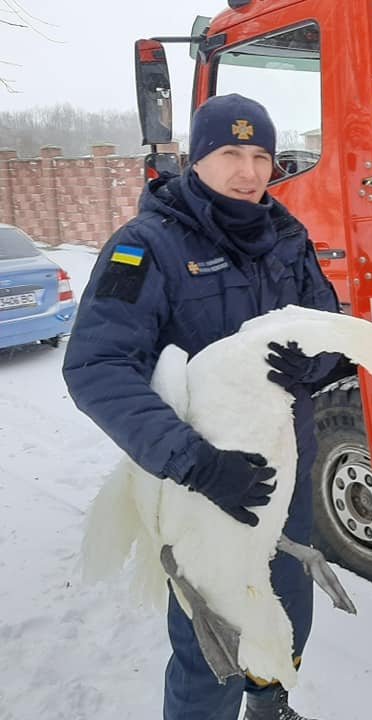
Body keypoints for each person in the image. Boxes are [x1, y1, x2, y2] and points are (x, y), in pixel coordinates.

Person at [63, 93, 341, 720]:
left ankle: (269, 707)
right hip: (202, 484)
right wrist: (195, 463)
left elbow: (330, 331)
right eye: (230, 153)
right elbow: (96, 368)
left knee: (286, 610)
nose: (249, 171)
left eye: (262, 155)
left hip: (284, 473)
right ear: (196, 158)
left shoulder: (287, 237)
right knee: (211, 638)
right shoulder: (145, 246)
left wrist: (317, 361)